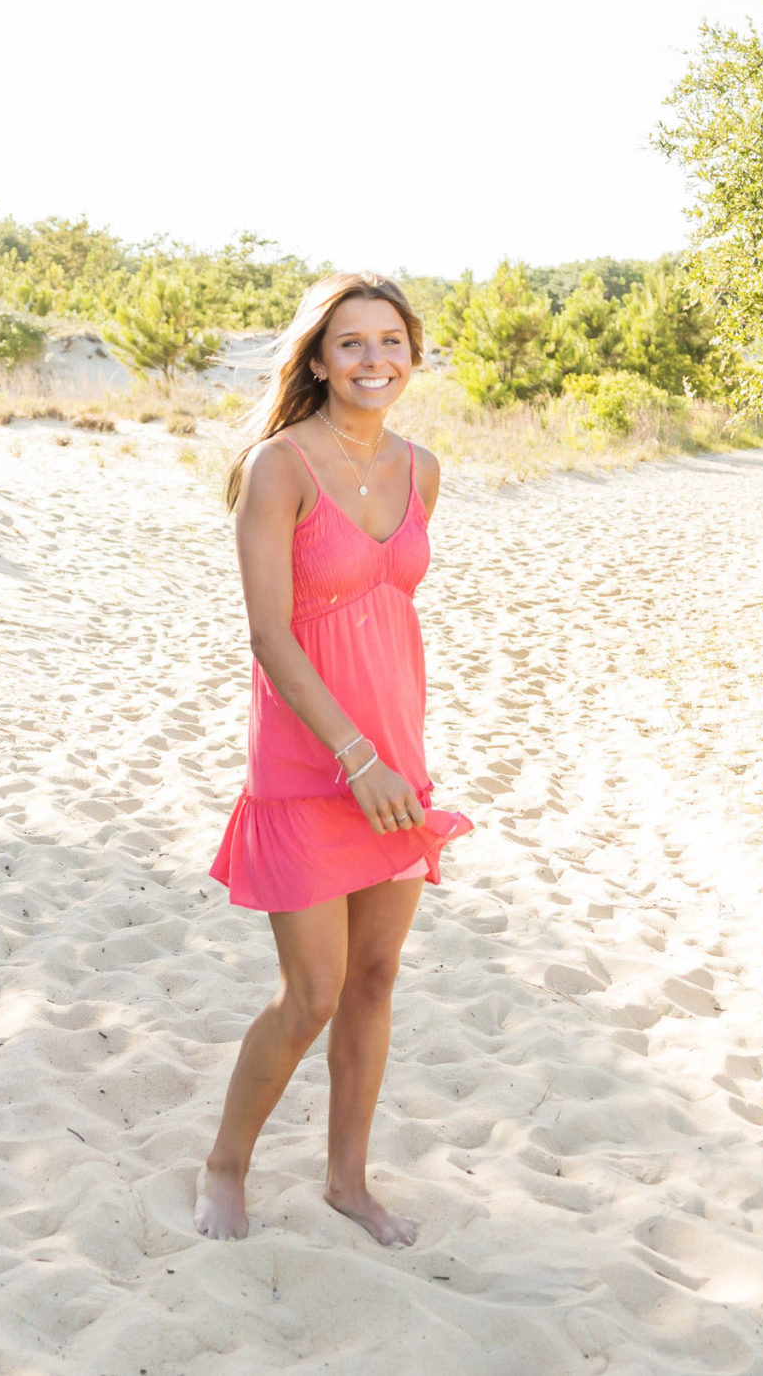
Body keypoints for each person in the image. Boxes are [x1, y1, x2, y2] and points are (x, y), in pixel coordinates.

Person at [195, 272, 472, 1246]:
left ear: (412, 354)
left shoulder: (421, 469)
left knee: (375, 977)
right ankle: (225, 1167)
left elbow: (387, 611)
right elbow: (270, 633)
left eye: (389, 341)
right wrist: (356, 757)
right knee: (311, 989)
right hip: (316, 764)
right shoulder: (279, 467)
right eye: (350, 343)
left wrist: (388, 756)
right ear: (317, 359)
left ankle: (346, 1183)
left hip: (397, 760)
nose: (373, 360)